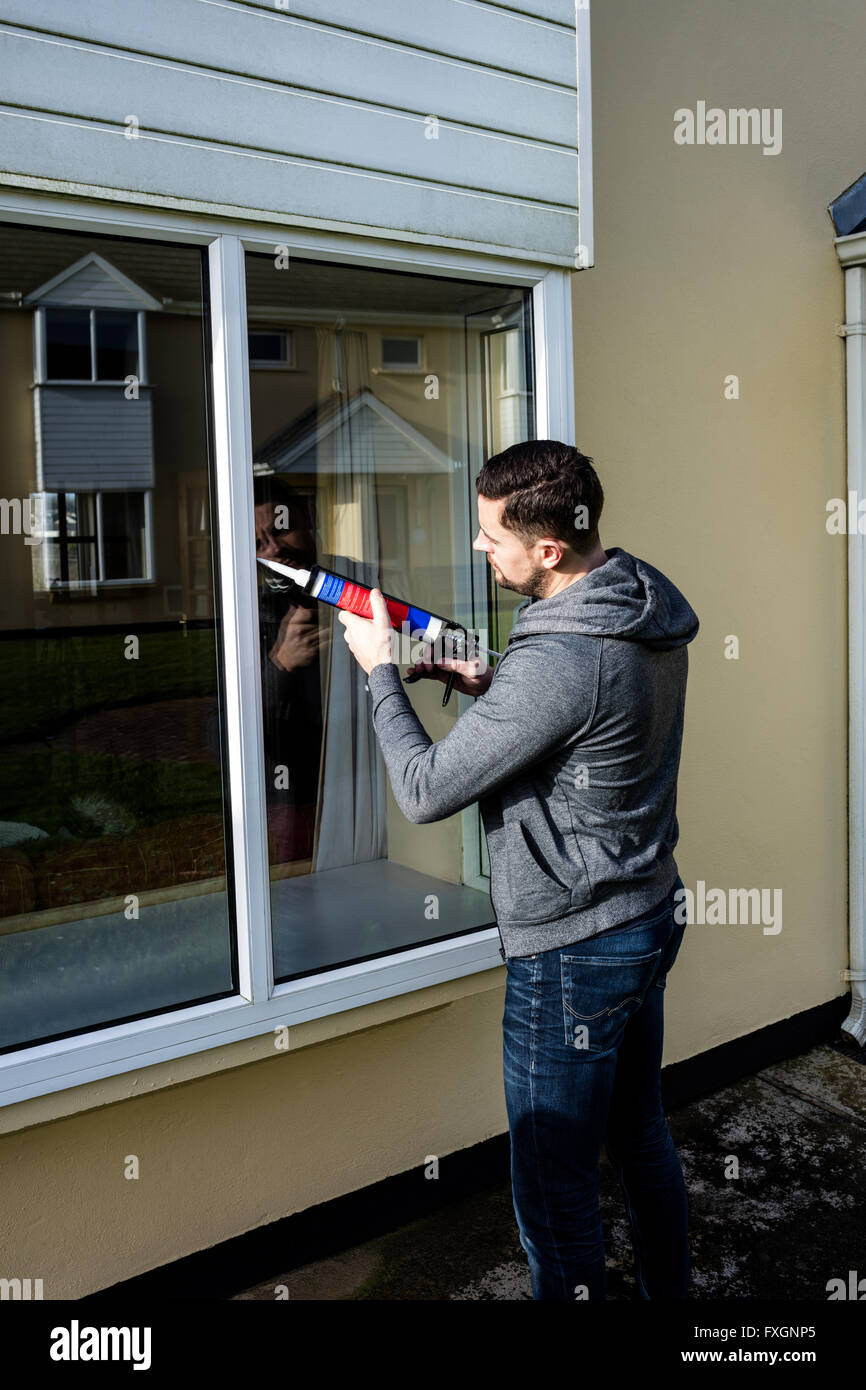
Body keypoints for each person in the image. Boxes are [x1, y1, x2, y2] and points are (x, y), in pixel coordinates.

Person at [337, 438, 700, 1302]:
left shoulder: (563, 660)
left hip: (576, 953)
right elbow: (574, 718)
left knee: (553, 1190)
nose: (477, 548)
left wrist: (381, 674)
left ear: (548, 550)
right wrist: (488, 683)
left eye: (490, 537)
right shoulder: (633, 603)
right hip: (647, 916)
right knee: (640, 1132)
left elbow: (426, 792)